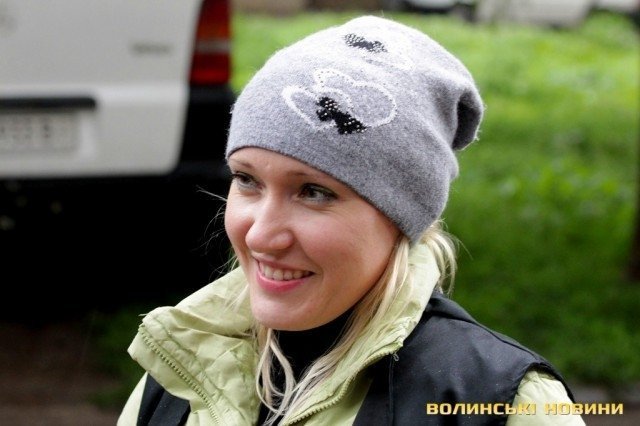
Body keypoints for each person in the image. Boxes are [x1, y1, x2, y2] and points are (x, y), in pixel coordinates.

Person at [118, 16, 585, 425]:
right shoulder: (184, 363)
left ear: (402, 213)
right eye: (247, 180)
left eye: (314, 192)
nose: (260, 234)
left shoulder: (497, 404)